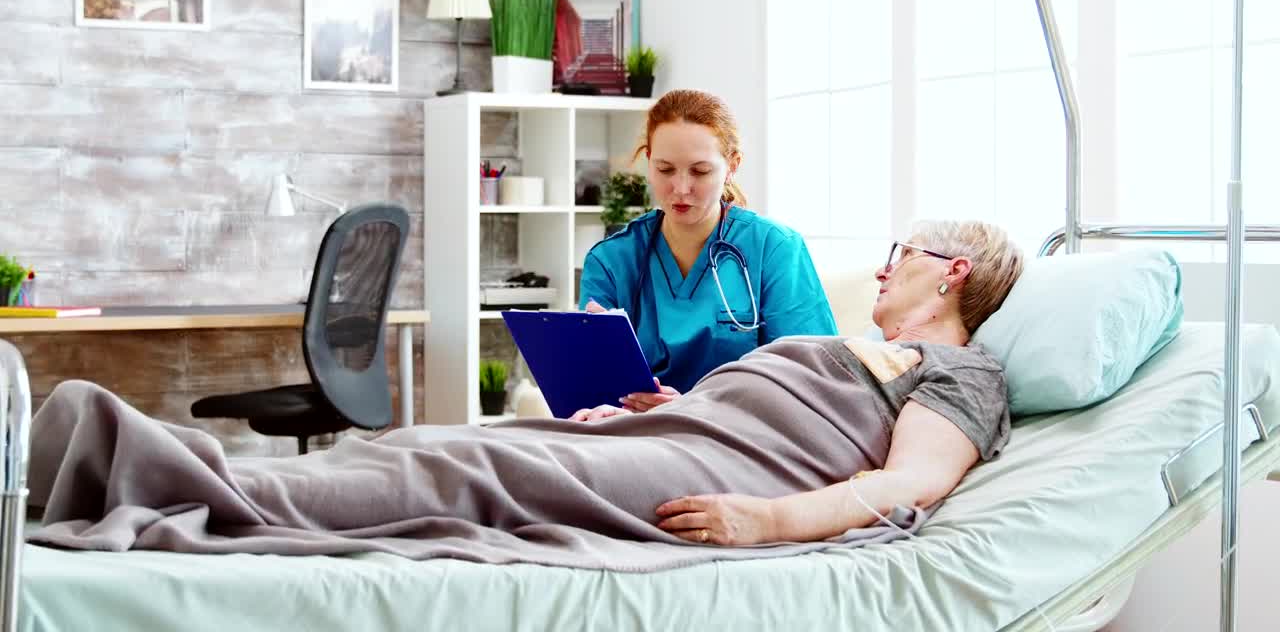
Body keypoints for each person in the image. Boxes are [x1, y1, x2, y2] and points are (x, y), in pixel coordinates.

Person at [28, 221, 1022, 557]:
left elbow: (910, 486)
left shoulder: (962, 371)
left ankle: (117, 459)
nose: (883, 267)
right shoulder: (846, 341)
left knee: (454, 478)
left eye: (902, 254)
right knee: (429, 450)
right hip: (671, 433)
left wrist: (762, 523)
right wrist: (660, 406)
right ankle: (101, 461)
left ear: (952, 274)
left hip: (712, 473)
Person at [577, 89, 836, 416]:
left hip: (738, 439)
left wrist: (690, 408)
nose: (681, 188)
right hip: (630, 439)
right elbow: (589, 395)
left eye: (700, 171)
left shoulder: (775, 249)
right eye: (665, 169)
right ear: (648, 163)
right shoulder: (611, 261)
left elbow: (812, 384)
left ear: (732, 166)